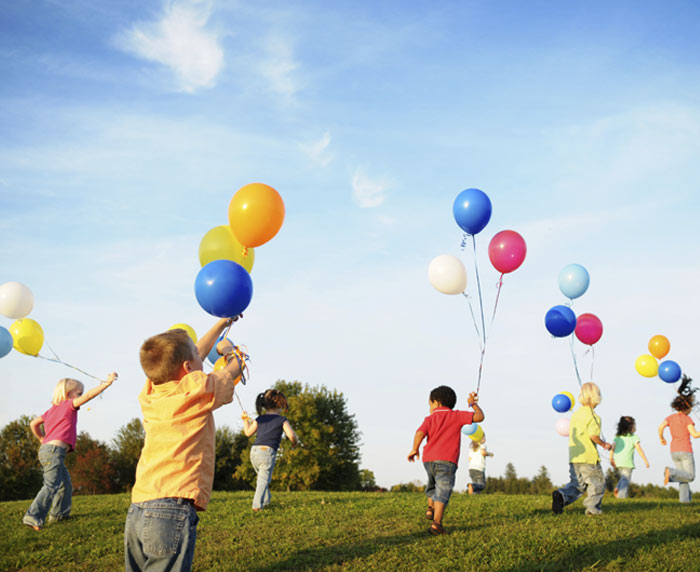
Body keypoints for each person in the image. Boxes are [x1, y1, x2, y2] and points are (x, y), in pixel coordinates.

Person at [124, 317, 244, 572]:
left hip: (139, 506)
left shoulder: (151, 391)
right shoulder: (197, 389)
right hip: (171, 508)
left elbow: (191, 356)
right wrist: (231, 352)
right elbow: (233, 370)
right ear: (188, 368)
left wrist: (222, 324)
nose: (203, 358)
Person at [22, 372, 118, 530]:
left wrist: (41, 439)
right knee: (51, 485)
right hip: (54, 451)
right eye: (78, 393)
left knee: (64, 485)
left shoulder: (51, 410)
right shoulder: (68, 405)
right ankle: (33, 515)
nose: (80, 397)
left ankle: (60, 515)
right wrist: (106, 384)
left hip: (49, 450)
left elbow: (33, 424)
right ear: (68, 394)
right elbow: (88, 396)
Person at [408, 386, 484, 535]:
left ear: (436, 403)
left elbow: (420, 432)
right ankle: (437, 524)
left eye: (429, 404)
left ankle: (430, 508)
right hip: (447, 460)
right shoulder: (456, 415)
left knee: (432, 484)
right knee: (443, 489)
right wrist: (473, 404)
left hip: (428, 459)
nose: (429, 408)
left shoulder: (429, 418)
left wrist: (415, 448)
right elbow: (479, 417)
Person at [552, 382, 612, 516]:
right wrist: (604, 444)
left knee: (577, 485)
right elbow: (593, 435)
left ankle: (561, 495)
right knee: (597, 484)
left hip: (574, 457)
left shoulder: (576, 415)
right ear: (596, 397)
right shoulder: (595, 417)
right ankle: (592, 510)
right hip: (588, 458)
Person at [242, 388, 299, 511]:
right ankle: (257, 506)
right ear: (279, 404)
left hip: (254, 452)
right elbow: (292, 435)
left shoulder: (259, 419)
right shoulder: (282, 420)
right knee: (263, 480)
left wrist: (245, 421)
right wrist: (295, 442)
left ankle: (267, 501)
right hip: (267, 452)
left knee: (262, 477)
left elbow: (247, 433)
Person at [658, 375, 699, 503]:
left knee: (683, 477)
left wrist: (662, 438)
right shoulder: (687, 419)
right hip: (685, 450)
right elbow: (695, 434)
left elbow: (661, 427)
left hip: (674, 451)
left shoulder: (670, 418)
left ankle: (685, 501)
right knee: (690, 476)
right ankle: (670, 473)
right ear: (687, 407)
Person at [609, 416, 649, 498]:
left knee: (624, 478)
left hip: (618, 462)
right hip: (627, 463)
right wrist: (645, 461)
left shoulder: (617, 437)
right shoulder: (634, 437)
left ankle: (617, 488)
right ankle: (621, 498)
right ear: (631, 427)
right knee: (625, 481)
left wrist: (611, 459)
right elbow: (639, 450)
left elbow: (612, 449)